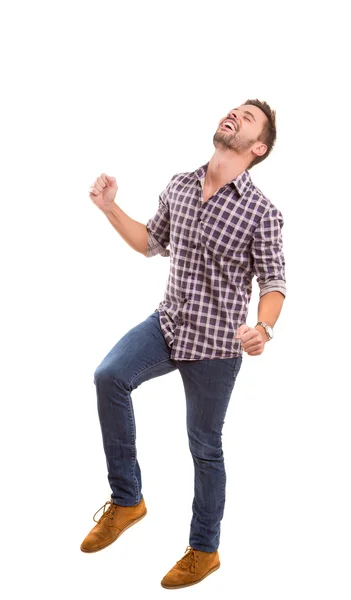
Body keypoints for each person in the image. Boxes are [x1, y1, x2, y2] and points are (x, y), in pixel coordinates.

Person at [81, 99, 287, 589]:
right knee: (109, 377)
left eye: (249, 118)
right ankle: (128, 499)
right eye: (234, 109)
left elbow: (274, 283)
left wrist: (264, 328)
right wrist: (110, 208)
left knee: (204, 446)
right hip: (167, 325)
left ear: (257, 147)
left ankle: (204, 550)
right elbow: (150, 241)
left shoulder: (262, 212)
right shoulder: (179, 184)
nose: (233, 115)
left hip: (216, 346)